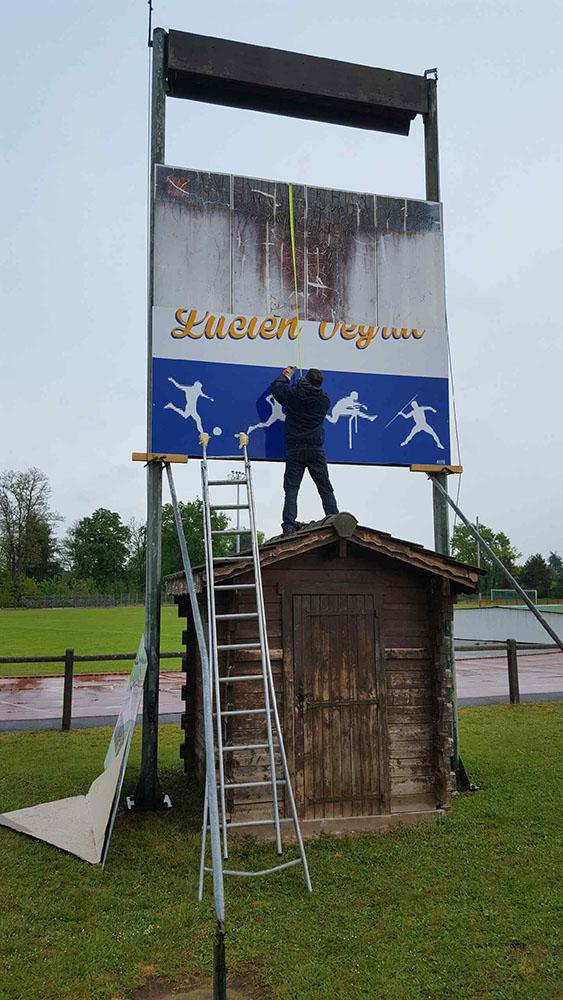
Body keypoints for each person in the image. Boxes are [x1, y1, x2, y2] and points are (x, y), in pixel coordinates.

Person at [270, 365, 339, 535]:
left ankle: (288, 525)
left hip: (295, 449)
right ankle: (336, 520)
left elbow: (276, 388)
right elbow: (310, 398)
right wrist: (303, 385)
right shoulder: (324, 401)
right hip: (316, 449)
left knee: (291, 490)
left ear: (306, 379)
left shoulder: (295, 394)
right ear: (320, 384)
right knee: (325, 488)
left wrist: (287, 375)